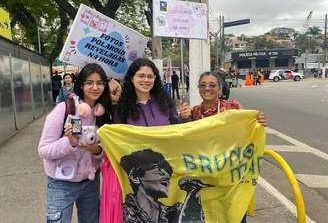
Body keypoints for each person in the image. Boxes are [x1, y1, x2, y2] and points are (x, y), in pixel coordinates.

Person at [100, 58, 191, 223]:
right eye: (141, 75)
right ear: (132, 78)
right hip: (140, 178)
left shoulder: (165, 104)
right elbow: (117, 142)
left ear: (156, 79)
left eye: (150, 76)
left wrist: (185, 118)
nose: (146, 80)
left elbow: (180, 133)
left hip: (170, 171)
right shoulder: (121, 108)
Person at [39, 63, 112, 223]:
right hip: (61, 182)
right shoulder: (65, 109)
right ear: (81, 85)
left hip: (90, 182)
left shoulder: (103, 113)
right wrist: (70, 143)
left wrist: (96, 150)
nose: (95, 87)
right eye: (89, 83)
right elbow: (43, 150)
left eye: (99, 83)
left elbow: (106, 151)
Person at [191, 71, 266, 223]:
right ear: (198, 89)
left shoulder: (232, 107)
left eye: (212, 85)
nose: (207, 89)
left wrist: (257, 121)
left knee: (234, 215)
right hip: (206, 177)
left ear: (219, 88)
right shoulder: (194, 112)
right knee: (209, 215)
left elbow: (247, 127)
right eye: (203, 85)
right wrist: (183, 117)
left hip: (231, 177)